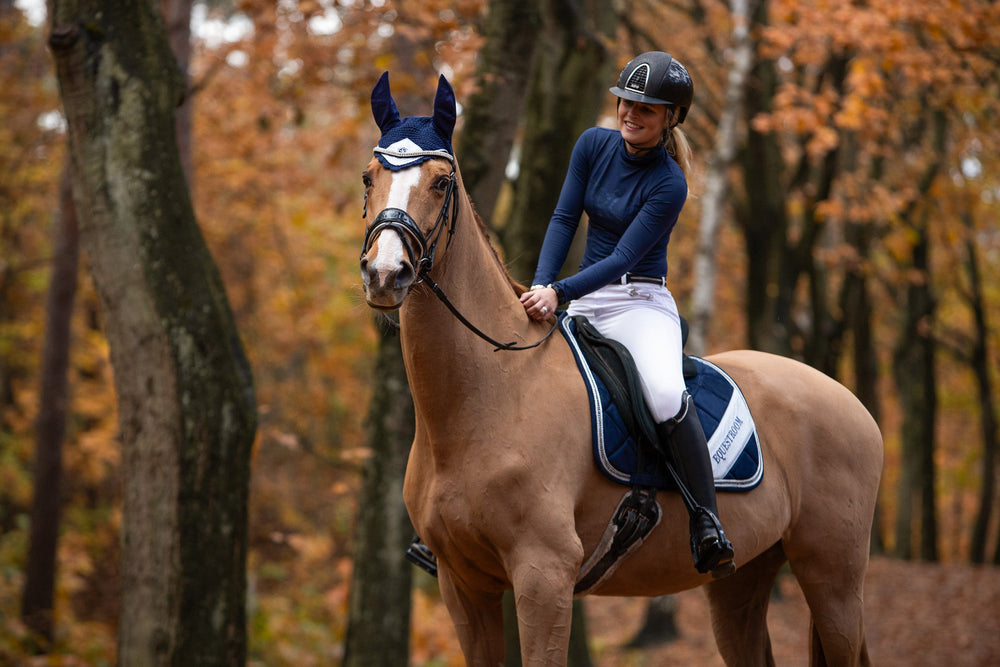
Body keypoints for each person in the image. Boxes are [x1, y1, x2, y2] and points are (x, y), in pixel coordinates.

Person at [519, 51, 735, 577]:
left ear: (671, 119)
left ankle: (706, 521)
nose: (631, 114)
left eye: (648, 109)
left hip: (638, 302)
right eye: (626, 102)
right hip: (579, 296)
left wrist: (559, 292)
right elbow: (565, 216)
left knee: (663, 392)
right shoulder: (592, 145)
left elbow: (621, 259)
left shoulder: (669, 184)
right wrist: (543, 284)